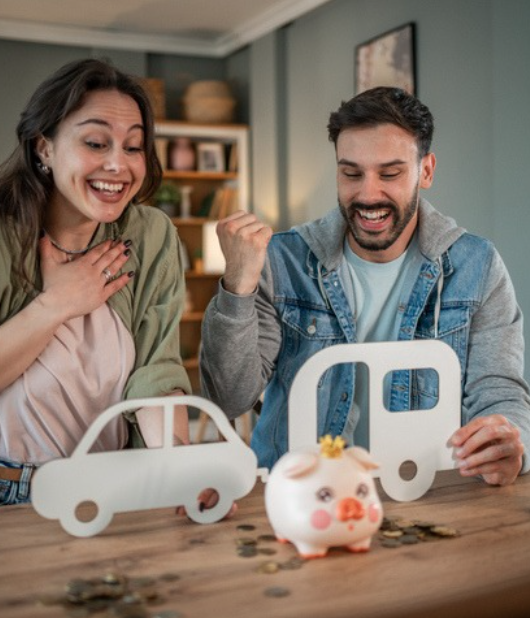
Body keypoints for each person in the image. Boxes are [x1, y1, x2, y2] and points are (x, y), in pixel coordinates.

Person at [200, 86, 529, 486]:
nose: (368, 193)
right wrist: (237, 286)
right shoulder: (283, 262)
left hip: (429, 492)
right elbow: (228, 399)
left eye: (390, 173)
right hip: (298, 495)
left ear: (426, 171)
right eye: (351, 173)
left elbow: (499, 390)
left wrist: (511, 441)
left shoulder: (476, 266)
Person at [0, 58, 194, 514]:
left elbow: (155, 372)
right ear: (44, 147)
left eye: (135, 147)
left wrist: (178, 462)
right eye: (96, 142)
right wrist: (55, 306)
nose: (118, 165)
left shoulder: (151, 234)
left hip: (118, 490)